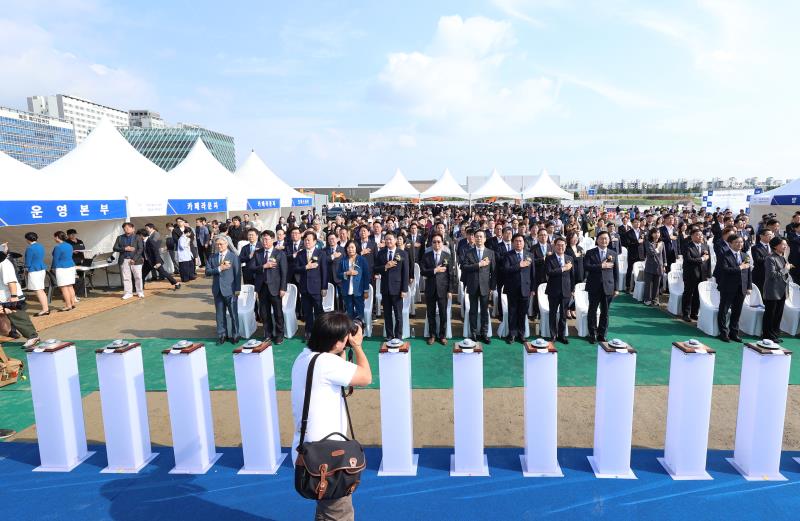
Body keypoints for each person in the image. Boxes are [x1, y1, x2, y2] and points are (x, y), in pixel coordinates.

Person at [290, 312, 372, 521]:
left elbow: (336, 372)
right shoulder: (327, 364)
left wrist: (342, 350)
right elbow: (365, 377)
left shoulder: (304, 356)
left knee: (327, 508)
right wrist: (358, 346)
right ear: (336, 342)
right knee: (338, 513)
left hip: (309, 450)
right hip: (327, 456)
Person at [419, 233, 457, 345]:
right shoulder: (427, 255)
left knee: (443, 313)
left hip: (443, 289)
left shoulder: (447, 256)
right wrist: (434, 270)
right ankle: (432, 335)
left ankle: (442, 335)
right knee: (430, 313)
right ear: (431, 243)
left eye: (439, 241)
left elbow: (451, 274)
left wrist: (450, 290)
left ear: (442, 243)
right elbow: (422, 271)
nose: (437, 244)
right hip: (430, 288)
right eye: (434, 242)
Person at [252, 230, 287, 344]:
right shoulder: (257, 253)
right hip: (262, 288)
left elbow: (284, 272)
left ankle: (279, 334)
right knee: (264, 313)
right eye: (263, 239)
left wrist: (283, 288)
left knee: (278, 313)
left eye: (267, 239)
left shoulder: (279, 253)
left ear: (273, 239)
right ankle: (268, 334)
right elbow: (251, 268)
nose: (264, 241)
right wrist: (264, 266)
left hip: (276, 288)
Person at [461, 229, 496, 344]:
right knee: (473, 311)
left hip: (485, 286)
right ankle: (474, 333)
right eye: (477, 237)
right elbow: (464, 267)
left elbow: (493, 271)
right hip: (473, 285)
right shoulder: (468, 252)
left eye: (481, 237)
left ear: (485, 239)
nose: (479, 239)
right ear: (473, 238)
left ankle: (484, 333)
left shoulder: (490, 253)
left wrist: (492, 287)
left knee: (485, 311)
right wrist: (478, 265)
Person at [0, 249, 40, 348]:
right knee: (7, 318)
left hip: (10, 296)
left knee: (19, 318)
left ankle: (32, 336)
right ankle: (12, 333)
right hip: (4, 296)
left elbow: (11, 281)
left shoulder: (4, 264)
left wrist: (14, 296)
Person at [584, 231, 618, 343]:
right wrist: (601, 266)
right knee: (592, 310)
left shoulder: (613, 253)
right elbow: (587, 266)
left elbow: (616, 272)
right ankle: (592, 333)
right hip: (594, 286)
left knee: (605, 312)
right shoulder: (590, 252)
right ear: (597, 240)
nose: (604, 241)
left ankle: (602, 334)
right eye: (602, 238)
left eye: (606, 238)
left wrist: (616, 288)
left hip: (608, 286)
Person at [716, 233, 751, 343]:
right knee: (724, 310)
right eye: (736, 242)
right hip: (728, 286)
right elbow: (725, 270)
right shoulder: (724, 255)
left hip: (742, 287)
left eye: (741, 242)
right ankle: (723, 332)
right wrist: (739, 267)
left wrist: (749, 286)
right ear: (730, 243)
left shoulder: (745, 256)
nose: (739, 244)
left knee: (737, 311)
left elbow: (748, 272)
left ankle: (734, 332)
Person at [206, 237, 241, 345]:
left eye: (221, 244)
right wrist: (219, 268)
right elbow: (207, 272)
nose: (219, 246)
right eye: (217, 244)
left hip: (230, 290)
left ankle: (235, 334)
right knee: (219, 315)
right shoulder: (212, 257)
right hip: (217, 290)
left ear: (226, 244)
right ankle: (222, 335)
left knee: (233, 314)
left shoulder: (233, 257)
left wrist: (237, 290)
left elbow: (237, 274)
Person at [374, 232, 409, 340]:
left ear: (395, 240)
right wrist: (385, 266)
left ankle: (398, 336)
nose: (388, 241)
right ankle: (389, 336)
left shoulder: (402, 254)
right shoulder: (381, 253)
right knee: (387, 314)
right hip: (385, 288)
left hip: (398, 289)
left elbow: (405, 272)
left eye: (390, 239)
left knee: (398, 315)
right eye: (386, 239)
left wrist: (404, 289)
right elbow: (375, 268)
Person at [503, 233, 535, 344]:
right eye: (516, 241)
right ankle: (511, 334)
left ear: (524, 242)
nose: (518, 243)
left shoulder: (529, 255)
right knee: (512, 312)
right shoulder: (508, 255)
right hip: (512, 288)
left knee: (522, 313)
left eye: (520, 241)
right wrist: (519, 265)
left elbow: (533, 274)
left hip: (526, 289)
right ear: (513, 243)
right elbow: (506, 270)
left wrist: (533, 289)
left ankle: (521, 334)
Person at [296, 231, 328, 340]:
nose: (307, 242)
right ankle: (308, 331)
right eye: (305, 240)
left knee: (319, 311)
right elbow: (295, 269)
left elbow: (324, 271)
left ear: (315, 241)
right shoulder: (300, 254)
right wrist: (306, 267)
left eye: (309, 240)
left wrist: (324, 287)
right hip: (304, 288)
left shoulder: (321, 253)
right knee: (307, 311)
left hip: (316, 288)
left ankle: (321, 331)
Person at [762, 237, 791, 342]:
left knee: (778, 314)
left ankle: (774, 333)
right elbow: (771, 275)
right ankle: (767, 335)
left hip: (782, 290)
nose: (785, 246)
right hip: (772, 290)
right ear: (775, 246)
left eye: (786, 244)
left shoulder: (782, 257)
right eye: (783, 244)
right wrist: (785, 270)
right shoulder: (770, 258)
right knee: (770, 314)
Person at [545, 237, 573, 344]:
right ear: (554, 246)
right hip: (553, 290)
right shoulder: (549, 258)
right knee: (552, 313)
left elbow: (572, 275)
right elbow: (549, 272)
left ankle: (562, 335)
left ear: (566, 246)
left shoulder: (569, 258)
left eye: (563, 245)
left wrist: (572, 289)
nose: (561, 247)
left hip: (566, 290)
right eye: (558, 245)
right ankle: (553, 335)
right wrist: (563, 268)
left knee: (563, 314)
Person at [681, 228, 710, 321]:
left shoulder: (705, 246)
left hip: (702, 274)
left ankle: (694, 313)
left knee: (698, 295)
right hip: (690, 274)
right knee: (688, 294)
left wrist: (708, 274)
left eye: (701, 235)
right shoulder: (687, 246)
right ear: (692, 236)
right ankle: (685, 314)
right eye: (698, 235)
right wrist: (701, 259)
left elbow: (708, 261)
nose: (700, 236)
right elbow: (688, 260)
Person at [338, 240, 371, 322]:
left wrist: (366, 290)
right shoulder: (343, 260)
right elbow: (338, 274)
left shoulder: (362, 259)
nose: (350, 249)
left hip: (359, 290)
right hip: (347, 290)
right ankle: (350, 331)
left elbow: (366, 276)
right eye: (348, 248)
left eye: (352, 247)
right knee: (349, 313)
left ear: (356, 248)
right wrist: (347, 273)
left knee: (360, 312)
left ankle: (360, 331)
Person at [143, 224, 180, 290]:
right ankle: (140, 286)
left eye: (147, 228)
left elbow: (155, 247)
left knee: (163, 272)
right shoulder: (149, 236)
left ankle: (175, 282)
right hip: (149, 258)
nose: (146, 229)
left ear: (151, 228)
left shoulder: (155, 234)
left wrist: (157, 260)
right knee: (143, 274)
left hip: (154, 257)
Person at [114, 222, 145, 299]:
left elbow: (140, 249)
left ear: (133, 228)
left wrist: (134, 259)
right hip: (124, 259)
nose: (127, 229)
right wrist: (124, 248)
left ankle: (139, 292)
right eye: (125, 228)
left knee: (138, 277)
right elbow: (115, 248)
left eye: (128, 227)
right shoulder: (120, 237)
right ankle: (128, 293)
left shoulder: (137, 237)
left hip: (136, 260)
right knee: (126, 277)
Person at [23, 232, 49, 316]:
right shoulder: (40, 246)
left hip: (34, 270)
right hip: (41, 269)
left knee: (38, 290)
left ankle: (45, 310)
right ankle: (46, 308)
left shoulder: (30, 248)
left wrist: (26, 270)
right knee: (41, 289)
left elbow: (28, 262)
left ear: (27, 239)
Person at [52, 231, 78, 311]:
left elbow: (55, 259)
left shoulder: (58, 247)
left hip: (62, 268)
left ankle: (68, 305)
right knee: (70, 286)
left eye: (54, 237)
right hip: (71, 266)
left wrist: (53, 268)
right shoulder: (69, 245)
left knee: (64, 287)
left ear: (57, 237)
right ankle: (72, 303)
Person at [642, 228, 664, 307]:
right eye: (655, 233)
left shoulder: (662, 243)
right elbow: (651, 253)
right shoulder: (648, 242)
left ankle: (655, 299)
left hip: (659, 266)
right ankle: (647, 299)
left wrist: (664, 264)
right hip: (650, 266)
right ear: (651, 234)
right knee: (648, 284)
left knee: (657, 284)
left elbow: (663, 255)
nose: (657, 234)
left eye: (658, 233)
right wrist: (658, 247)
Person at [750, 228, 773, 292]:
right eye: (768, 235)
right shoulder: (755, 248)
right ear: (761, 236)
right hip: (760, 274)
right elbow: (758, 260)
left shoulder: (773, 247)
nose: (770, 236)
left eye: (771, 235)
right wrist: (770, 256)